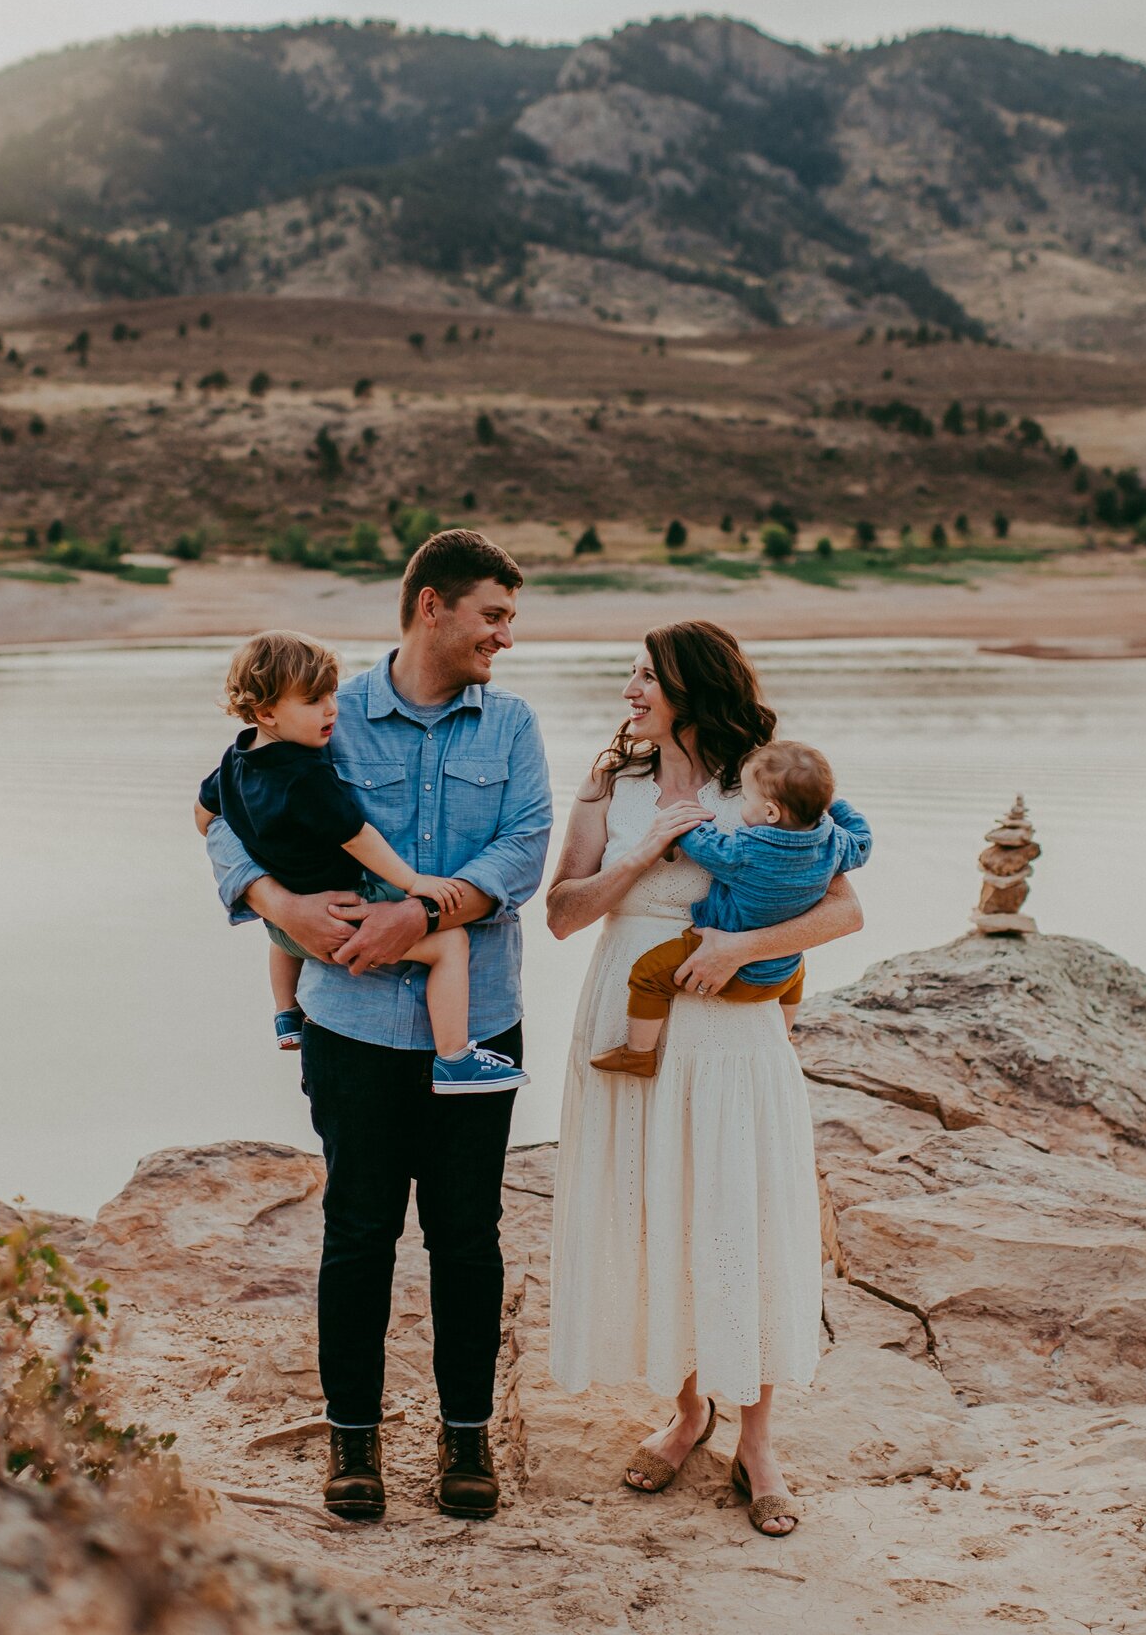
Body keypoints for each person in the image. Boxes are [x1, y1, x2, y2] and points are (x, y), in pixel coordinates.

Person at [202, 530, 551, 1523]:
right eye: (493, 615)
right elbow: (225, 816)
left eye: (511, 620)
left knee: (466, 1238)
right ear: (431, 606)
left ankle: (464, 1442)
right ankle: (351, 1445)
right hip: (349, 1026)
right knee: (357, 1234)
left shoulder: (512, 724)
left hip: (475, 1022)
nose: (505, 637)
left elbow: (525, 845)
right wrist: (281, 904)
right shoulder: (324, 710)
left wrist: (427, 913)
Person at [542, 621, 863, 1539]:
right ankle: (689, 1412)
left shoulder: (763, 778)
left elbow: (844, 906)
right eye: (631, 675)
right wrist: (642, 852)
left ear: (691, 686)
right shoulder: (615, 785)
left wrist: (740, 947)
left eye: (646, 676)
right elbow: (562, 914)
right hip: (627, 1016)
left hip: (731, 1028)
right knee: (656, 1218)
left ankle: (757, 1439)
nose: (630, 690)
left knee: (740, 1216)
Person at [194, 628, 526, 1093]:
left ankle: (286, 1014)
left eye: (331, 693)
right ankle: (454, 1058)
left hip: (287, 931)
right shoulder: (306, 775)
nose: (332, 708)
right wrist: (415, 884)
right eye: (313, 700)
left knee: (281, 926)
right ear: (267, 711)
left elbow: (205, 814)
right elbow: (357, 837)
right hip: (346, 916)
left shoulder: (235, 759)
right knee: (450, 946)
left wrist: (275, 885)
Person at [588, 739, 871, 1076]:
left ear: (770, 813)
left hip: (734, 968)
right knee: (798, 966)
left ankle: (638, 1054)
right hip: (780, 975)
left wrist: (688, 822)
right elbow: (863, 840)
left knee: (648, 975)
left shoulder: (745, 852)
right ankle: (785, 1034)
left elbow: (704, 846)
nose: (741, 808)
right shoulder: (835, 845)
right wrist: (834, 805)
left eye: (747, 800)